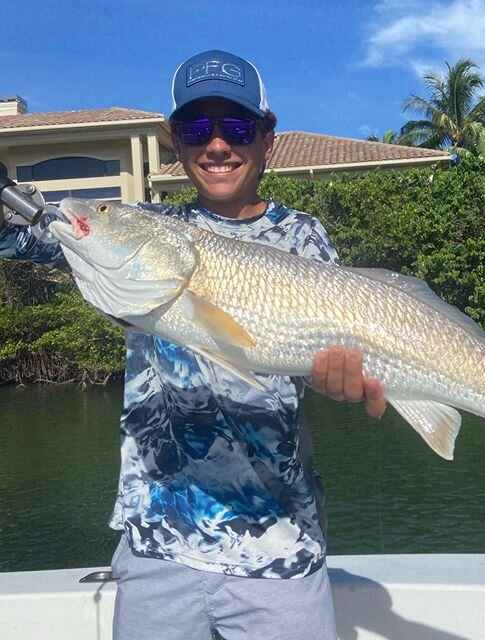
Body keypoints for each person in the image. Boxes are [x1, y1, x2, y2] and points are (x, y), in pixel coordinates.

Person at [0, 49, 386, 640]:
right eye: (195, 129)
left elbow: (319, 370)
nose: (217, 146)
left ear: (267, 138)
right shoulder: (143, 226)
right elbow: (34, 240)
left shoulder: (304, 237)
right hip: (158, 548)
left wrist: (344, 385)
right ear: (173, 142)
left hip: (280, 550)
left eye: (236, 127)